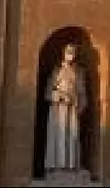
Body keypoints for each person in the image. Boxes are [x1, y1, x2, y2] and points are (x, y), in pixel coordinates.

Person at [44, 43, 87, 174]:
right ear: (64, 53)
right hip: (58, 109)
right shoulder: (57, 70)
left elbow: (83, 93)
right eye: (68, 51)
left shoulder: (79, 71)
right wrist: (60, 96)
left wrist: (77, 102)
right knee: (58, 135)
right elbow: (47, 93)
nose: (70, 54)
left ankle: (71, 165)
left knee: (72, 135)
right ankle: (56, 165)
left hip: (72, 108)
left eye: (73, 52)